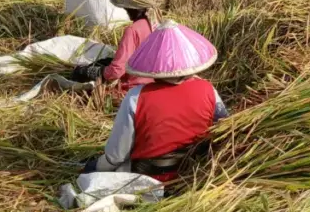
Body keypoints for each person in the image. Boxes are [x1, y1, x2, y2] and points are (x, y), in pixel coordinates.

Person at [83, 20, 228, 182]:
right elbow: (224, 128)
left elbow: (116, 155)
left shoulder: (135, 97)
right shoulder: (208, 90)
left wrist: (94, 167)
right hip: (194, 174)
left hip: (148, 179)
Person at [71, 0, 163, 93]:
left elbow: (116, 71)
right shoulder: (160, 24)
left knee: (79, 77)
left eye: (127, 6)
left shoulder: (133, 30)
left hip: (133, 90)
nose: (125, 9)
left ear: (134, 5)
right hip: (155, 86)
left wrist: (88, 71)